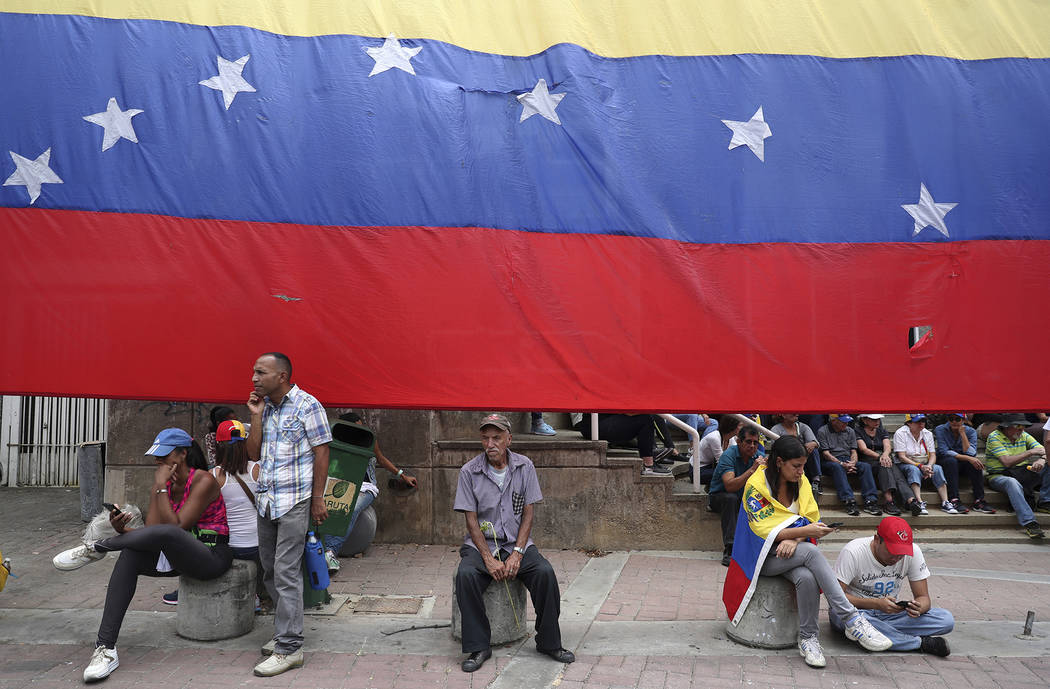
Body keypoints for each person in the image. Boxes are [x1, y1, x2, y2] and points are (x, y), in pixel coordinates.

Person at [53, 428, 231, 682]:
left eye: (164, 455)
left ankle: (97, 547)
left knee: (170, 534)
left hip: (212, 556)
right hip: (179, 556)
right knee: (130, 555)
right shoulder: (163, 485)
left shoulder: (203, 480)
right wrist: (122, 529)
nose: (158, 461)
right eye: (156, 455)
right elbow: (152, 533)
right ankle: (106, 649)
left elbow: (175, 528)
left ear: (182, 454)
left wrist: (159, 489)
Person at [723, 436, 892, 669]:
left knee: (807, 577)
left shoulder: (800, 482)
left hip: (791, 553)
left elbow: (811, 517)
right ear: (779, 462)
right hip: (760, 558)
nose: (801, 471)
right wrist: (800, 534)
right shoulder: (756, 485)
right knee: (811, 552)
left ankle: (808, 638)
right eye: (796, 466)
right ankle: (851, 618)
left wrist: (797, 537)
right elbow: (762, 530)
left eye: (803, 465)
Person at [453, 414, 574, 673]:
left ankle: (549, 641)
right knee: (466, 575)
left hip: (516, 544)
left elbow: (528, 512)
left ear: (509, 439)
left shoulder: (524, 466)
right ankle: (479, 646)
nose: (490, 444)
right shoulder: (469, 472)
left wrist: (518, 552)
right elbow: (471, 520)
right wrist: (487, 558)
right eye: (485, 438)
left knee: (544, 573)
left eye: (496, 438)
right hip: (481, 545)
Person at [246, 352, 332, 677]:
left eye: (260, 372)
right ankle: (284, 632)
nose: (254, 378)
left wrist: (318, 499)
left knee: (285, 571)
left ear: (281, 376)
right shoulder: (263, 407)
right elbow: (253, 454)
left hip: (295, 499)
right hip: (266, 500)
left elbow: (322, 451)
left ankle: (289, 647)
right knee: (268, 571)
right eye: (253, 372)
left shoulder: (308, 405)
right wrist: (254, 416)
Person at [831, 516, 954, 657]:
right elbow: (836, 598)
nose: (896, 558)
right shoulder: (853, 551)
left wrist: (918, 607)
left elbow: (924, 598)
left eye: (901, 554)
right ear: (877, 539)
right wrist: (876, 604)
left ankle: (875, 633)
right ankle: (919, 643)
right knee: (839, 617)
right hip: (857, 613)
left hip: (891, 614)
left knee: (946, 619)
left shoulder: (913, 552)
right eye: (892, 551)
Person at [322, 412, 418, 571]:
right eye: (356, 427)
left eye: (361, 427)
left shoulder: (367, 439)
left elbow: (381, 459)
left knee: (350, 508)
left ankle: (331, 552)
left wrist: (402, 475)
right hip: (340, 484)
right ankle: (321, 550)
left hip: (366, 487)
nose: (360, 430)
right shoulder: (336, 439)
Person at [985, 414, 1050, 539]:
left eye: (1023, 426)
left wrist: (1042, 459)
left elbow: (1044, 450)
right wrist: (1030, 452)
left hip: (1023, 472)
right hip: (999, 476)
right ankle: (1030, 523)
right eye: (1018, 426)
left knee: (1048, 464)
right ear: (1007, 427)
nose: (1022, 429)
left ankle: (1045, 501)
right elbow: (1007, 462)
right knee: (1012, 482)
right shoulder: (994, 437)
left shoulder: (1023, 435)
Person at [709, 426, 765, 567]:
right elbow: (730, 486)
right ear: (739, 442)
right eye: (748, 442)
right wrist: (753, 470)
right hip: (719, 497)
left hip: (743, 498)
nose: (752, 446)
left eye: (755, 442)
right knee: (731, 498)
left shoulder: (758, 456)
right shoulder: (729, 455)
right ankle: (730, 549)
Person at [816, 414, 881, 516]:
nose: (846, 423)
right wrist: (841, 464)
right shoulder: (822, 431)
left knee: (865, 466)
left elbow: (853, 451)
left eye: (847, 421)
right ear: (834, 421)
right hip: (830, 461)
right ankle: (849, 500)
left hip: (847, 459)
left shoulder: (850, 430)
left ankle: (870, 500)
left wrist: (853, 463)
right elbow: (826, 453)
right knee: (837, 467)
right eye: (843, 421)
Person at [892, 414, 955, 515]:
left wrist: (929, 466)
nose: (921, 424)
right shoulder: (900, 433)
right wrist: (920, 466)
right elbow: (901, 457)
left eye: (923, 421)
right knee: (913, 469)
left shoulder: (927, 433)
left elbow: (933, 455)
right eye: (918, 421)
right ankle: (919, 502)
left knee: (937, 468)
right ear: (909, 423)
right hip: (906, 463)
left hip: (924, 462)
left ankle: (945, 502)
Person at [573, 413, 672, 475]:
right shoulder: (608, 384)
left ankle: (657, 452)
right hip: (593, 426)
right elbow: (628, 412)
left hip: (601, 422)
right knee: (645, 420)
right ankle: (649, 466)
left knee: (649, 416)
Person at [934, 414, 993, 514]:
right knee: (951, 461)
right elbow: (944, 451)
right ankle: (954, 499)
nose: (954, 422)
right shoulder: (940, 429)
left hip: (962, 461)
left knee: (975, 464)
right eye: (951, 419)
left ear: (963, 420)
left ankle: (979, 500)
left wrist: (963, 434)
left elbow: (971, 452)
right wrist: (969, 458)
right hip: (946, 461)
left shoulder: (971, 431)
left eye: (957, 419)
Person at [854, 414, 910, 516]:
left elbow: (887, 446)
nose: (877, 421)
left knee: (888, 465)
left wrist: (884, 455)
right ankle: (891, 500)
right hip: (868, 461)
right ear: (864, 420)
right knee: (886, 464)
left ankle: (909, 500)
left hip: (883, 460)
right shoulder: (858, 431)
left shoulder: (882, 431)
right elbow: (863, 449)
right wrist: (881, 457)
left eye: (878, 419)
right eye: (873, 419)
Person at [770, 414, 822, 495]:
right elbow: (775, 448)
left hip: (804, 459)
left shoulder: (803, 427)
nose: (797, 413)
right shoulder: (776, 429)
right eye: (792, 412)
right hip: (786, 459)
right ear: (783, 415)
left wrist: (812, 444)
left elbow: (816, 443)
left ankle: (816, 480)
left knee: (813, 450)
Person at [693, 415, 742, 487]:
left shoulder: (731, 439)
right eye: (739, 426)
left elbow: (735, 456)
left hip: (710, 467)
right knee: (728, 475)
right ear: (732, 426)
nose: (741, 428)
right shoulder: (714, 438)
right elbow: (722, 461)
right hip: (698, 470)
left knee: (734, 473)